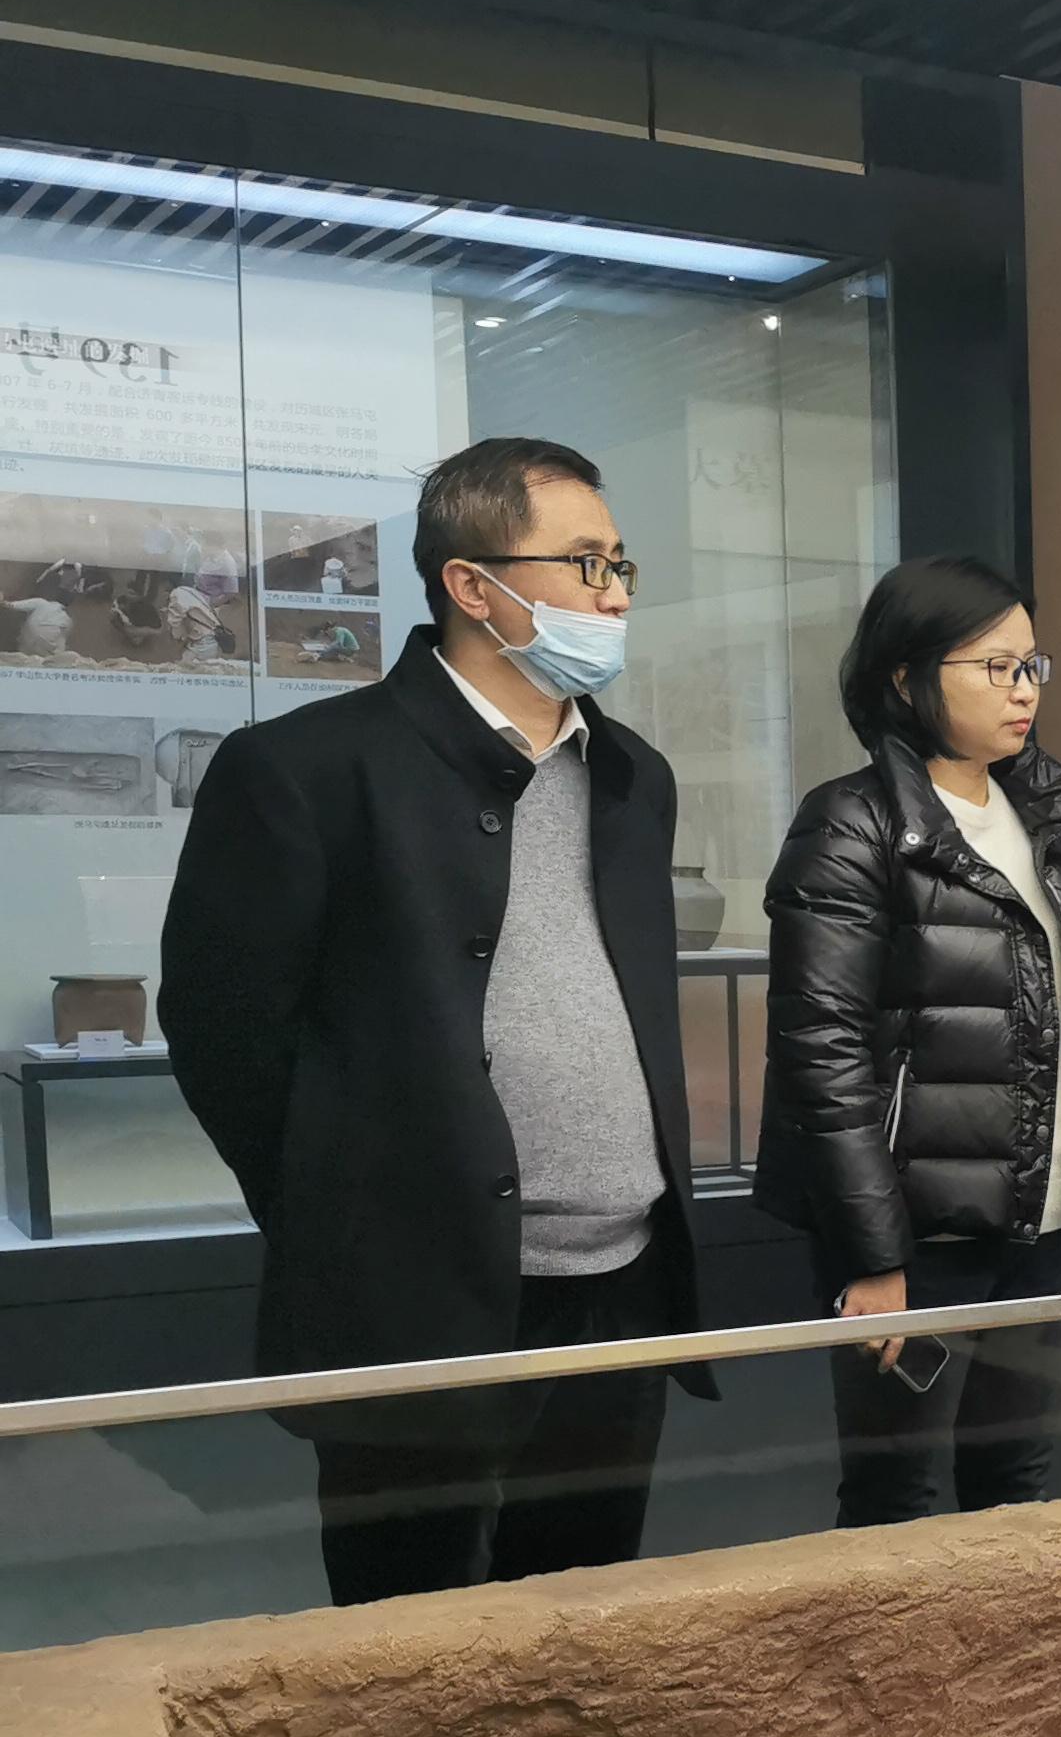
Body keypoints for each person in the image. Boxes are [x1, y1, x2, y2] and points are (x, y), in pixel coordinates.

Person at [160, 436, 702, 1603]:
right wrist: (334, 1199)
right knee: (410, 1635)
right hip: (414, 1291)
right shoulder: (305, 769)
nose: (615, 595)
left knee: (587, 1612)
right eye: (586, 563)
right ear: (473, 585)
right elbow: (222, 1029)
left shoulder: (633, 776)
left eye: (620, 565)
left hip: (620, 1278)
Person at [755, 557, 1061, 1526]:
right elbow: (821, 1054)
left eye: (1032, 665)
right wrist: (872, 1256)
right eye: (995, 667)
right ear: (905, 675)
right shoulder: (852, 822)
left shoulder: (1043, 820)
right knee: (897, 1498)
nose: (1024, 689)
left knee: (1016, 1488)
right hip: (916, 1240)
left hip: (1038, 1226)